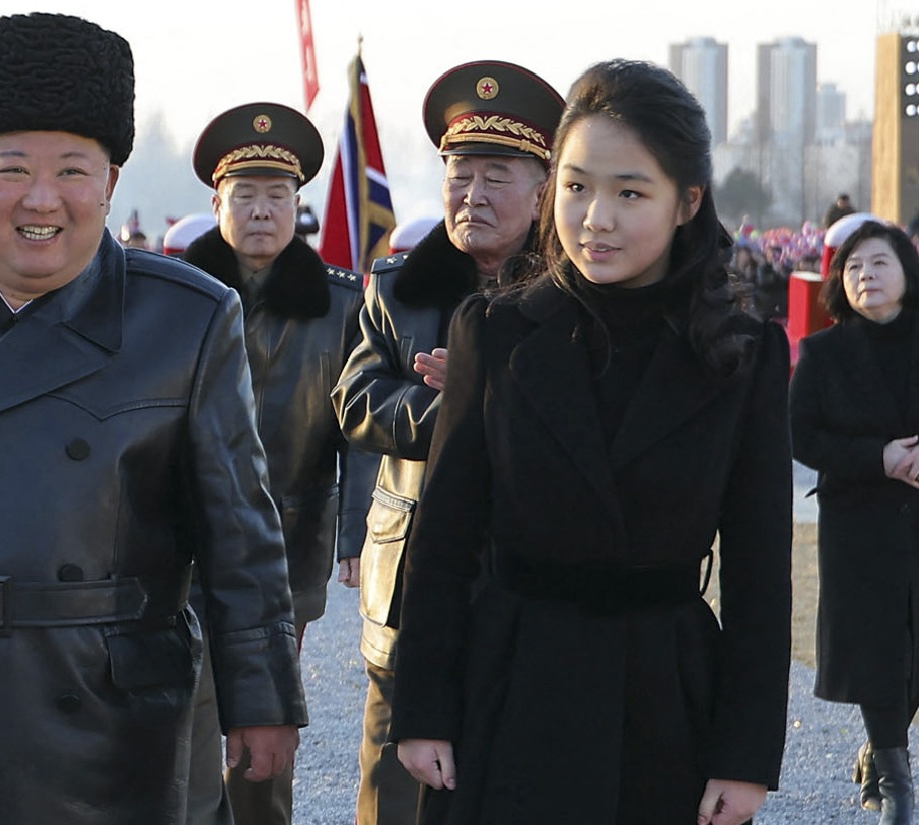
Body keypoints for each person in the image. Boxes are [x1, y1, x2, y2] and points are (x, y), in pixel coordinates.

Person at [0, 14, 305, 824]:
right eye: (9, 168)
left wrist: (260, 696)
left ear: (111, 184)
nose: (42, 200)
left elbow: (239, 527)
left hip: (105, 708)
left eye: (74, 170)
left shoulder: (184, 316)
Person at [391, 59, 792, 825]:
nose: (594, 218)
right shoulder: (496, 332)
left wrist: (745, 758)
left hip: (665, 701)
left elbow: (758, 574)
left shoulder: (741, 354)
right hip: (507, 690)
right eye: (574, 187)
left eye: (629, 192)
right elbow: (442, 543)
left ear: (687, 202)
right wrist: (423, 709)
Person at [331, 59, 563, 825]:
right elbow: (357, 402)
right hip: (410, 573)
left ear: (543, 191)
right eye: (461, 174)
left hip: (532, 575)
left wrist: (482, 393)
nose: (474, 194)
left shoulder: (573, 299)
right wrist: (455, 409)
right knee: (392, 791)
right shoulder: (399, 288)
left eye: (498, 176)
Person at [180, 101, 368, 825]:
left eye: (277, 196)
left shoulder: (341, 304)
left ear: (299, 206)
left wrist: (353, 538)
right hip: (183, 537)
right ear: (216, 203)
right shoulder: (178, 300)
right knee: (182, 704)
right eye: (245, 195)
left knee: (262, 707)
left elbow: (357, 430)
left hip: (289, 538)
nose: (262, 211)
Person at [791, 220, 919, 825]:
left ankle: (878, 749)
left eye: (878, 263)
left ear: (905, 271)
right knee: (877, 650)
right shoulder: (823, 353)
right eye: (853, 268)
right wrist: (879, 458)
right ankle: (898, 783)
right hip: (859, 525)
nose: (866, 275)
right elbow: (802, 435)